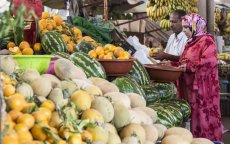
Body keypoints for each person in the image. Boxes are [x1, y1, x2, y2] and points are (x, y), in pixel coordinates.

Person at [176, 13, 222, 141]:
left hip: (204, 91)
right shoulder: (190, 42)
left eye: (186, 27)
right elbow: (184, 60)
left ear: (195, 26)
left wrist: (189, 66)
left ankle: (208, 141)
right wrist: (175, 64)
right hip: (192, 91)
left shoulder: (207, 41)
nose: (184, 30)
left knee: (204, 118)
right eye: (183, 27)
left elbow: (209, 62)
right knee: (195, 118)